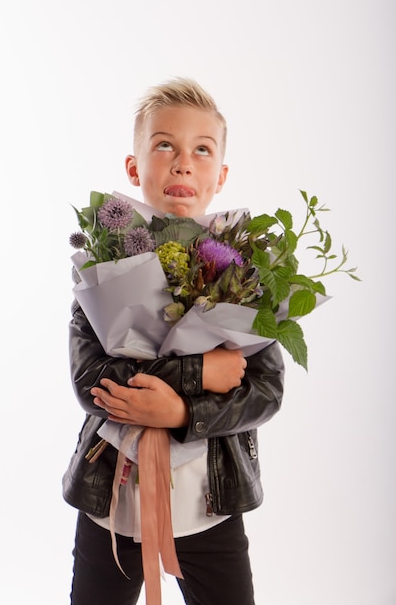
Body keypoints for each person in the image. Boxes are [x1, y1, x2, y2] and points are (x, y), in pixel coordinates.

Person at [63, 77, 285, 605]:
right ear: (134, 167)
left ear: (221, 175)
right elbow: (88, 378)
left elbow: (266, 390)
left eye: (201, 150)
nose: (183, 162)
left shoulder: (244, 276)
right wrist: (196, 375)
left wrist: (183, 414)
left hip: (208, 507)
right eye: (164, 145)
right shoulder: (103, 268)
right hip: (110, 506)